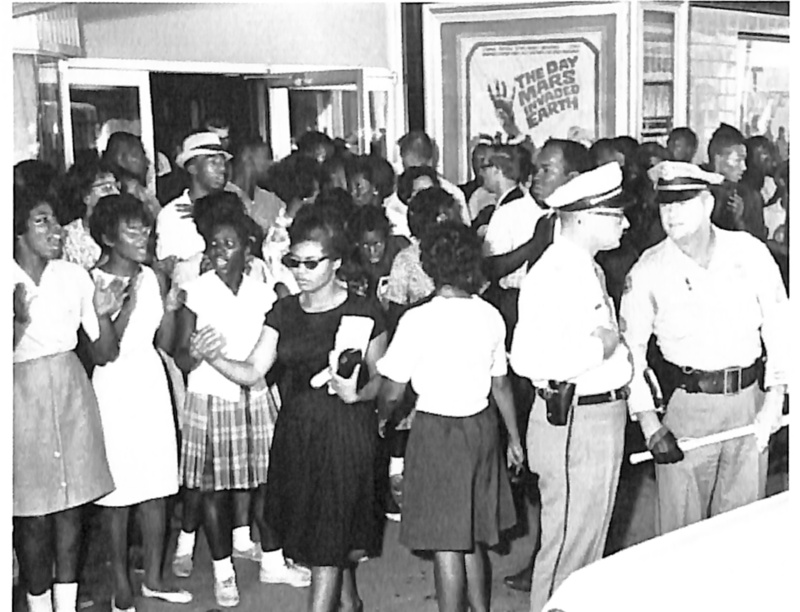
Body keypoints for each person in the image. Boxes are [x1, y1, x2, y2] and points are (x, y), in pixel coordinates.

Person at [196, 205, 388, 612]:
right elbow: (252, 371)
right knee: (323, 536)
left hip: (346, 433)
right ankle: (350, 605)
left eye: (311, 263)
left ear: (335, 263)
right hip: (297, 432)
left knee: (327, 544)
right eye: (293, 262)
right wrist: (213, 358)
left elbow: (385, 382)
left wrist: (358, 393)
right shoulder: (284, 311)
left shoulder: (363, 311)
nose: (300, 271)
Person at [620, 161, 789, 536]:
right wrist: (649, 423)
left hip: (749, 404)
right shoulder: (648, 268)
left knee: (743, 531)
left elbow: (780, 325)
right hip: (687, 410)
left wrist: (776, 398)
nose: (672, 214)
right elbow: (629, 350)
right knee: (681, 535)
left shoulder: (749, 252)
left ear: (708, 203)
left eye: (683, 202)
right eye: (666, 204)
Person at [377, 221, 524, 612]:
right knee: (471, 534)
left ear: (430, 266)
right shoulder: (490, 315)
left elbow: (391, 390)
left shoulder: (417, 320)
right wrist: (514, 439)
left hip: (437, 432)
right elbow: (502, 385)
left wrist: (381, 417)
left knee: (446, 542)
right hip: (481, 428)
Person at [171, 201, 309, 607]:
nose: (219, 253)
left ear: (246, 250)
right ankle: (222, 571)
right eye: (213, 245)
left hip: (255, 395)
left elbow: (276, 352)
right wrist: (196, 352)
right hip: (211, 398)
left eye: (228, 245)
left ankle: (271, 559)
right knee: (215, 491)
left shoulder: (264, 294)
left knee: (266, 483)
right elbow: (180, 357)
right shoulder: (195, 293)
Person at [510, 162, 633, 612]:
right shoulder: (554, 273)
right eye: (615, 214)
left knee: (588, 548)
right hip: (574, 421)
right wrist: (598, 350)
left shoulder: (585, 268)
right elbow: (525, 359)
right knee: (567, 552)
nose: (626, 222)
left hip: (597, 417)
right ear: (582, 217)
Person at [13, 186, 121, 612]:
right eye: (42, 222)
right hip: (22, 397)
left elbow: (103, 351)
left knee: (71, 511)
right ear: (18, 233)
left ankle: (67, 601)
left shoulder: (74, 277)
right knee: (33, 514)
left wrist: (106, 312)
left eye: (56, 221)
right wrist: (17, 322)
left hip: (72, 390)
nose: (56, 230)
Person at [87, 194, 190, 610]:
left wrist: (169, 310)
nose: (143, 236)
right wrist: (120, 308)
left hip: (149, 380)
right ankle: (120, 585)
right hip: (113, 387)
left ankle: (156, 576)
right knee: (118, 492)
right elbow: (105, 353)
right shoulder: (91, 282)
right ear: (109, 237)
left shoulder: (152, 276)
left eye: (145, 228)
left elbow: (162, 343)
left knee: (157, 486)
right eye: (133, 230)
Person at [500, 137, 593, 594]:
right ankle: (543, 560)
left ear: (574, 180)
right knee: (539, 475)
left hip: (574, 384)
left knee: (572, 496)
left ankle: (548, 562)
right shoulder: (535, 224)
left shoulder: (591, 240)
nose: (536, 177)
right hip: (528, 363)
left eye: (547, 170)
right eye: (536, 169)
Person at [481, 144, 545, 348]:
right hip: (524, 300)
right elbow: (492, 266)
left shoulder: (508, 212)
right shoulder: (515, 211)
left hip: (532, 301)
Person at [156, 131, 232, 289]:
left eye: (222, 163)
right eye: (213, 163)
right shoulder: (172, 215)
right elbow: (171, 269)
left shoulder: (231, 207)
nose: (222, 169)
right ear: (192, 168)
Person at [396, 130, 472, 225]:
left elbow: (463, 233)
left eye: (419, 168)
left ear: (431, 162)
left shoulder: (454, 194)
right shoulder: (396, 200)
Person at [58, 156, 121, 270]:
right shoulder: (67, 238)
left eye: (116, 186)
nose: (115, 193)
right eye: (106, 188)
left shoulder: (125, 228)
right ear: (85, 195)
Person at [706, 123, 766, 241]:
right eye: (738, 160)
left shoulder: (751, 198)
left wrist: (739, 221)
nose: (743, 167)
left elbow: (758, 246)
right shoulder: (697, 193)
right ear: (718, 159)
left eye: (744, 160)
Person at [346, 205, 410, 305]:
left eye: (378, 244)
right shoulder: (352, 262)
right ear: (357, 243)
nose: (372, 251)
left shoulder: (402, 250)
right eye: (365, 245)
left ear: (387, 238)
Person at [226, 138, 284, 233]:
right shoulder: (223, 198)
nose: (270, 163)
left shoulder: (271, 200)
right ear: (246, 155)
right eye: (266, 156)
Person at [102, 131, 161, 219]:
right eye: (139, 155)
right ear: (121, 160)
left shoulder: (146, 195)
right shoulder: (109, 200)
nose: (147, 162)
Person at [385, 166, 441, 238]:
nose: (427, 196)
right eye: (421, 192)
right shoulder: (395, 218)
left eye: (431, 190)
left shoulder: (442, 217)